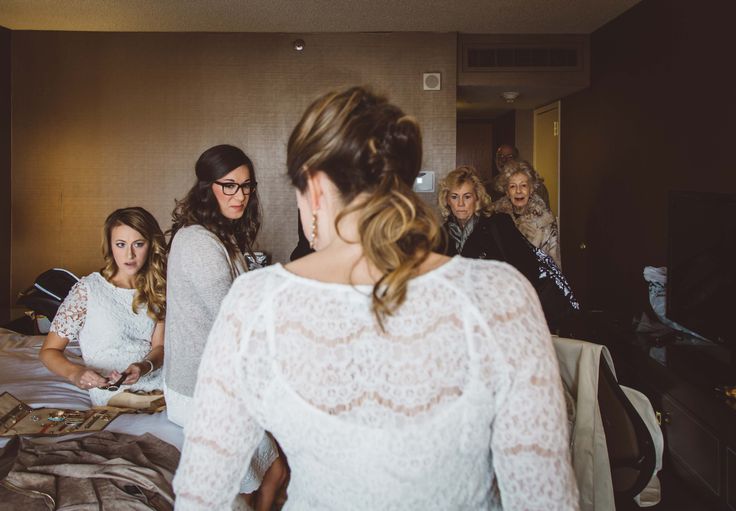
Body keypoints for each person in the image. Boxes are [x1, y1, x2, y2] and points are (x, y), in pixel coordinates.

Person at [173, 87, 578, 510]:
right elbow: (542, 496)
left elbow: (201, 495)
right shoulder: (502, 293)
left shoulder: (253, 302)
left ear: (311, 187)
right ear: (401, 181)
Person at [164, 144, 286, 511]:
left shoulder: (222, 236)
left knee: (277, 471)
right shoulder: (198, 242)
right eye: (228, 185)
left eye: (247, 186)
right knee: (266, 477)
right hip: (199, 390)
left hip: (220, 379)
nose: (241, 195)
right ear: (207, 187)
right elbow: (233, 318)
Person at [40, 207, 167, 406]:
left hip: (155, 378)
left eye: (138, 244)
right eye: (121, 244)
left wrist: (143, 366)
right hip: (109, 388)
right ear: (110, 246)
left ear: (151, 245)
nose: (130, 254)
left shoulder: (157, 289)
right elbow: (49, 351)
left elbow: (159, 347)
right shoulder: (88, 290)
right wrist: (76, 373)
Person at [493, 159, 562, 267]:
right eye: (512, 186)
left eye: (523, 185)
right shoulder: (494, 216)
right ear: (507, 192)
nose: (518, 191)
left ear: (531, 189)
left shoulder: (545, 220)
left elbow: (554, 264)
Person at [493, 144, 551, 208]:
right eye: (500, 156)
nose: (504, 160)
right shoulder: (489, 187)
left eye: (509, 157)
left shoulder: (538, 187)